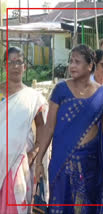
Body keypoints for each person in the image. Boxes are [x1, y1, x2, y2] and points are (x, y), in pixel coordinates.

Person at [35, 45, 103, 213]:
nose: (72, 66)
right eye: (70, 62)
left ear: (90, 66)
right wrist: (39, 161)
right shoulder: (60, 90)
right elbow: (49, 127)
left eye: (77, 62)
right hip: (62, 161)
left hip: (90, 163)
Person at [0, 47, 48, 213]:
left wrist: (34, 153)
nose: (15, 66)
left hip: (20, 162)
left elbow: (41, 126)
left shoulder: (33, 97)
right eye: (10, 62)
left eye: (19, 62)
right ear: (5, 66)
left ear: (24, 67)